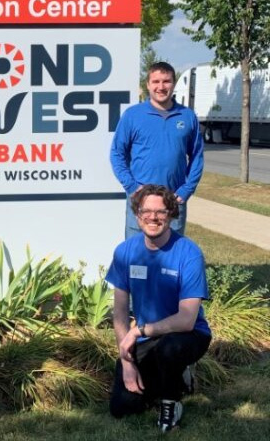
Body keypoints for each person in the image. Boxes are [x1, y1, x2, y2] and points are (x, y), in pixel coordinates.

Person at [106, 184, 211, 433]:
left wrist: (139, 331)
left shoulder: (189, 253)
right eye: (146, 211)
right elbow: (120, 312)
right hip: (148, 339)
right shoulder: (125, 252)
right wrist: (127, 360)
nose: (153, 217)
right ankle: (175, 380)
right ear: (137, 214)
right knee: (123, 407)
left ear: (171, 214)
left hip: (188, 335)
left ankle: (170, 404)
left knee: (170, 349)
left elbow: (186, 319)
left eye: (161, 212)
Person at [110, 61, 204, 238]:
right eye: (156, 81)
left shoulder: (187, 116)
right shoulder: (133, 115)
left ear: (173, 84)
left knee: (172, 258)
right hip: (141, 201)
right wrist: (131, 187)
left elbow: (197, 156)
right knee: (137, 258)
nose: (161, 87)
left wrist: (186, 190)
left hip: (173, 200)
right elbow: (117, 153)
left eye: (166, 81)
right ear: (148, 85)